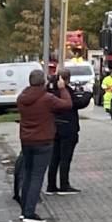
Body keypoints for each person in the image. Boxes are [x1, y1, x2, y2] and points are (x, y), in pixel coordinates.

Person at [11, 70, 65, 222]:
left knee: (27, 174)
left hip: (26, 140)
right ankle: (30, 213)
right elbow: (66, 104)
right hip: (44, 141)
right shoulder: (47, 98)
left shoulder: (22, 98)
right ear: (44, 82)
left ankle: (24, 209)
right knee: (37, 177)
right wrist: (62, 88)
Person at [46, 64, 83, 194]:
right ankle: (64, 184)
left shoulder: (50, 90)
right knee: (65, 158)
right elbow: (75, 103)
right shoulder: (66, 91)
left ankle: (51, 185)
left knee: (54, 158)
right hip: (68, 128)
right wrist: (88, 94)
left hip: (54, 128)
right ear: (67, 79)